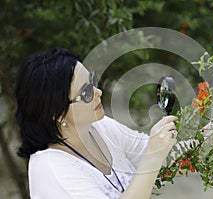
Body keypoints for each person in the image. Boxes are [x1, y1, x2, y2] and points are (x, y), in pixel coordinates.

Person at [15, 48, 178, 199]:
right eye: (85, 92)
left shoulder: (100, 127)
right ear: (56, 113)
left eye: (92, 81)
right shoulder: (51, 169)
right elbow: (151, 156)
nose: (98, 92)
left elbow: (167, 157)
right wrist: (153, 156)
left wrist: (203, 139)